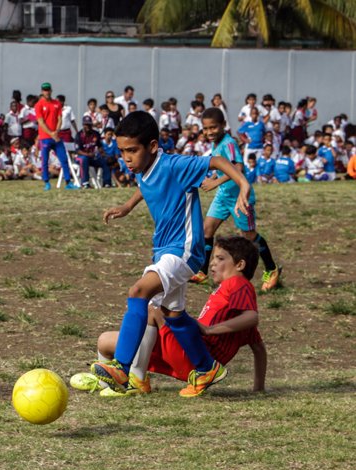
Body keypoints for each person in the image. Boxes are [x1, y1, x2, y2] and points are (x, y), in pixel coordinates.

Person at [90, 111, 251, 398]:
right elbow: (147, 186)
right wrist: (127, 206)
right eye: (122, 151)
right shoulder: (144, 168)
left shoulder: (175, 164)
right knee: (172, 314)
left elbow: (216, 161)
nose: (126, 158)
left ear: (152, 146)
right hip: (165, 249)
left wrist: (243, 184)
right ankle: (206, 367)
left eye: (132, 150)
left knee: (139, 291)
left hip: (184, 250)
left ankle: (121, 368)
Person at [72, 236, 267, 397]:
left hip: (197, 360)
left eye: (220, 258)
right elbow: (259, 349)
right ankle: (108, 383)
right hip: (185, 357)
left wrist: (209, 329)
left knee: (154, 308)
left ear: (240, 264)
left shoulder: (238, 284)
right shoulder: (228, 297)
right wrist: (259, 389)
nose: (213, 263)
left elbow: (252, 317)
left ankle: (135, 380)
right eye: (213, 258)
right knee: (105, 341)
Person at [191, 108, 282, 292]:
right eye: (205, 128)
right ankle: (202, 272)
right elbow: (221, 166)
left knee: (249, 236)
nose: (209, 132)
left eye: (213, 127)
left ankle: (271, 269)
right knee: (206, 230)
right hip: (223, 196)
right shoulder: (216, 145)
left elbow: (237, 166)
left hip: (239, 197)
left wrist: (216, 182)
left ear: (223, 125)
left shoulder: (229, 143)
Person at [35, 82, 77, 191]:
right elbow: (41, 122)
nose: (47, 92)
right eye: (45, 90)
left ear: (51, 90)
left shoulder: (57, 103)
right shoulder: (39, 104)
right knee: (45, 160)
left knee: (64, 158)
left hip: (56, 136)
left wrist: (56, 132)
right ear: (42, 91)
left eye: (48, 90)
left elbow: (60, 119)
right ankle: (46, 182)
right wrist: (51, 133)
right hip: (45, 136)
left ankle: (68, 182)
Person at [74, 116, 110, 189]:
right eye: (86, 124)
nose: (88, 126)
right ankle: (85, 183)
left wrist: (103, 154)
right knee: (84, 159)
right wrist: (88, 154)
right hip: (80, 157)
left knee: (104, 160)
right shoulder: (79, 135)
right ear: (83, 125)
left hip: (92, 157)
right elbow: (78, 151)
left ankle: (107, 183)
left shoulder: (96, 134)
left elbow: (100, 146)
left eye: (89, 125)